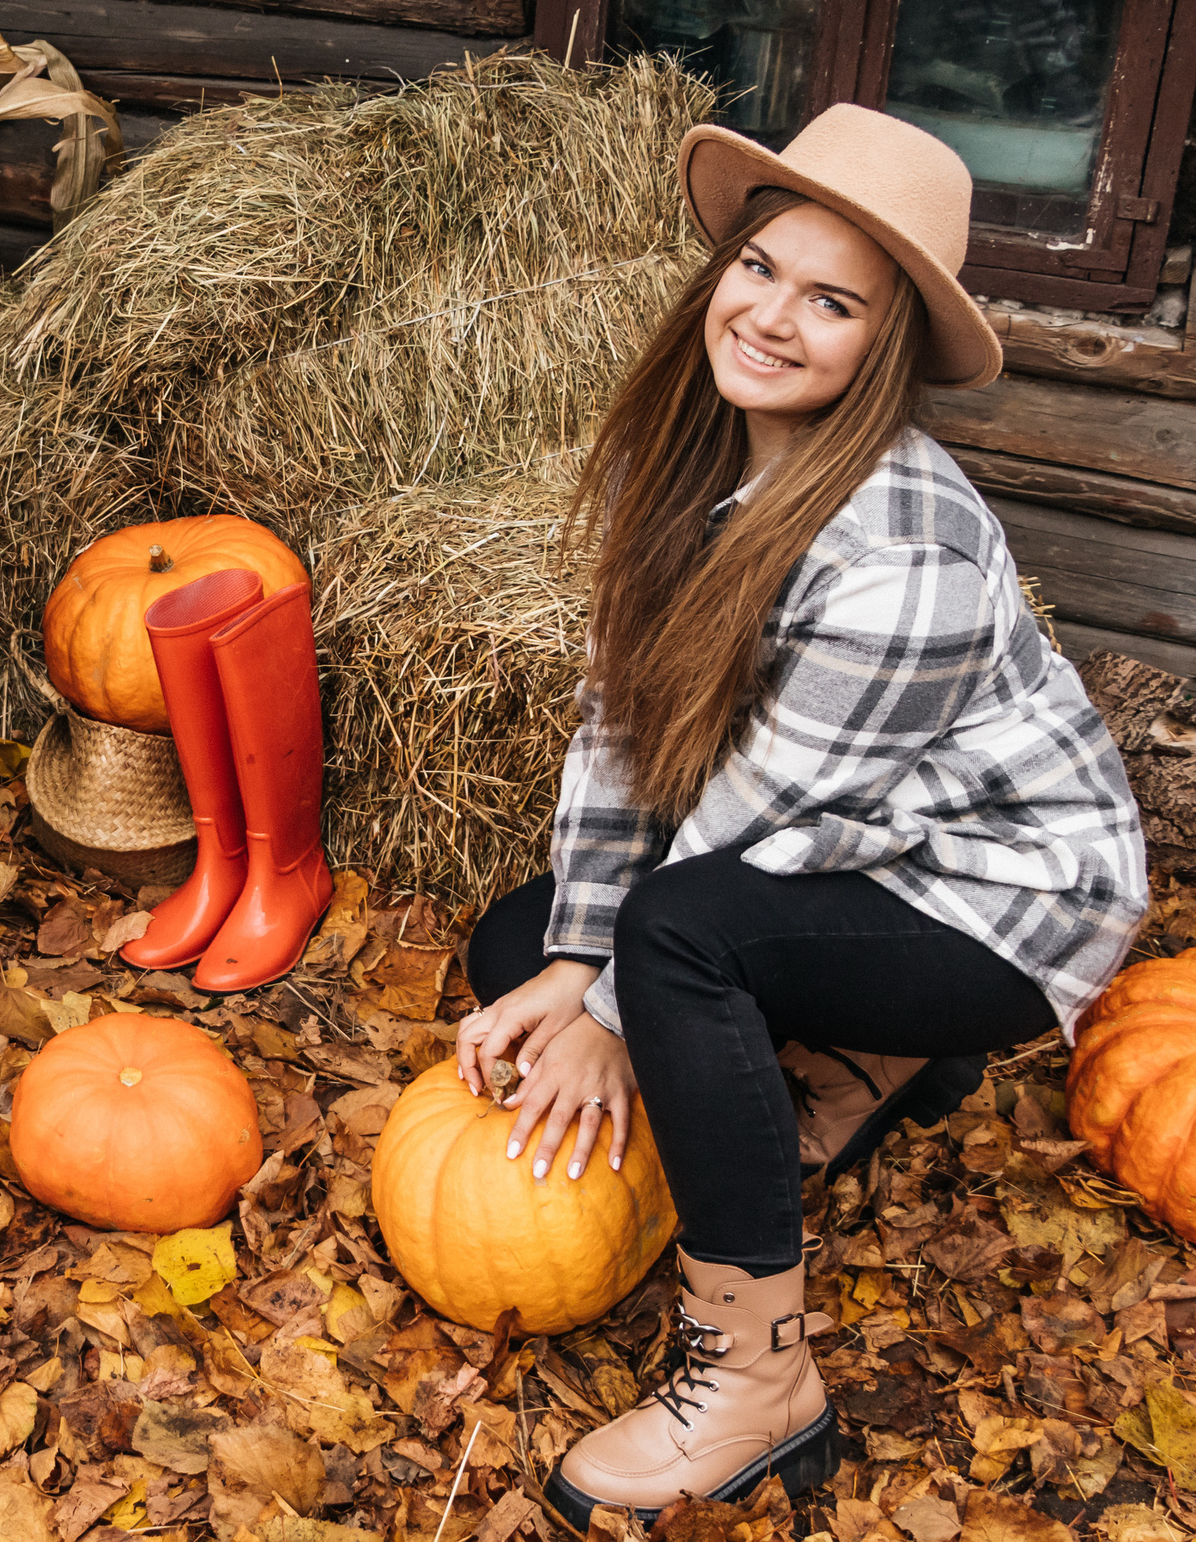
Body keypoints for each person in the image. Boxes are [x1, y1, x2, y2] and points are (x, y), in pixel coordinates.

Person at [452, 105, 1146, 1522]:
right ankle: (869, 1064)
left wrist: (613, 1008)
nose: (770, 317)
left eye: (831, 302)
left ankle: (760, 1383)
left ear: (882, 347)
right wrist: (573, 961)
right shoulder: (689, 458)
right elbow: (621, 733)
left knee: (676, 943)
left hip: (1006, 898)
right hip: (854, 851)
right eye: (760, 267)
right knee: (516, 944)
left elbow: (758, 831)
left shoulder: (905, 555)